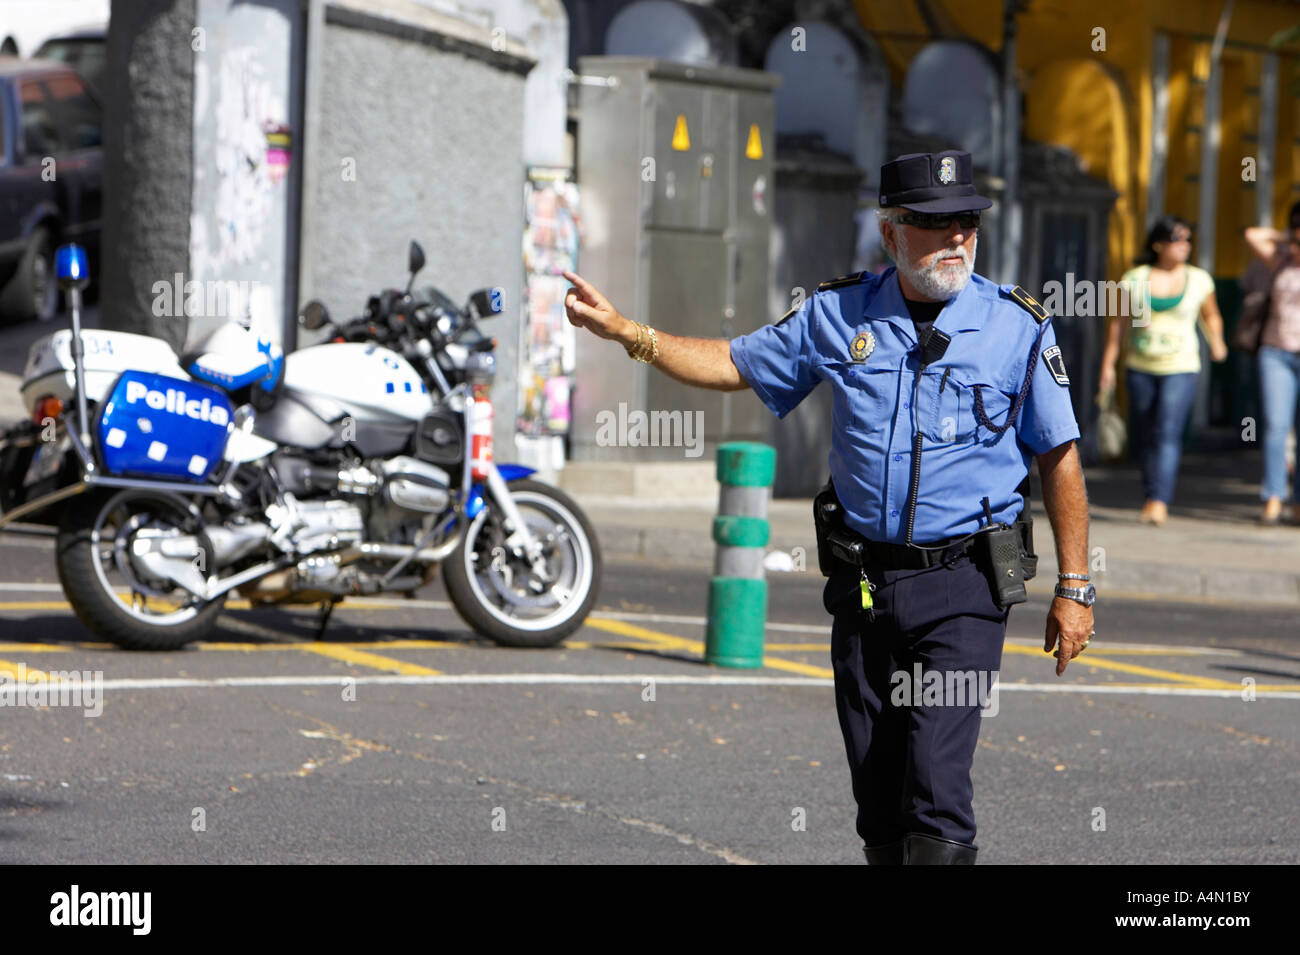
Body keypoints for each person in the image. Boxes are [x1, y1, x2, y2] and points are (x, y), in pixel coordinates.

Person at [562, 150, 1095, 865]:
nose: (957, 238)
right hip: (865, 583)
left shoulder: (1017, 327)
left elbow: (1059, 456)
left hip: (965, 584)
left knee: (935, 786)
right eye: (935, 224)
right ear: (891, 233)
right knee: (877, 798)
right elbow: (734, 363)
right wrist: (631, 333)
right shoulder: (839, 313)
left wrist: (1074, 587)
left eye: (966, 221)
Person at [1097, 217, 1228, 525]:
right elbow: (1118, 325)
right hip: (1140, 365)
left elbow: (1212, 315)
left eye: (1187, 240)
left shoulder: (1199, 279)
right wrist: (1108, 366)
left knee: (1167, 432)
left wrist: (1218, 341)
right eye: (1176, 240)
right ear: (1158, 245)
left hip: (1181, 365)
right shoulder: (1134, 278)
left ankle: (1158, 500)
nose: (1184, 246)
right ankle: (1150, 490)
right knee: (1145, 433)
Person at [1244, 201, 1300, 525]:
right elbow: (1252, 235)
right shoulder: (1279, 262)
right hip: (1275, 353)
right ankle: (1274, 497)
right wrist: (1286, 238)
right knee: (1276, 426)